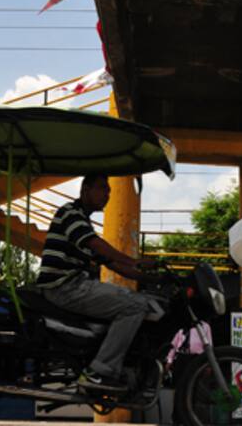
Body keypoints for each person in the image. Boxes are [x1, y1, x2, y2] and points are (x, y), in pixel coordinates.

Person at [37, 174, 158, 392]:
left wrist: (147, 277)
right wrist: (135, 261)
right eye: (102, 188)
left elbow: (110, 262)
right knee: (136, 305)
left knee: (136, 299)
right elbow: (95, 244)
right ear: (85, 190)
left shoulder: (83, 220)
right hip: (65, 286)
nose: (107, 195)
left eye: (109, 191)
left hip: (72, 286)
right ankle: (100, 371)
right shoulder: (71, 213)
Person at [165, 321, 212, 425]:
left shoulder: (205, 326)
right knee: (179, 389)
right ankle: (176, 419)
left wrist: (208, 364)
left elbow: (209, 346)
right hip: (181, 357)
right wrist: (169, 360)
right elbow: (174, 346)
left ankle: (190, 418)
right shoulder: (184, 325)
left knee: (192, 389)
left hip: (196, 358)